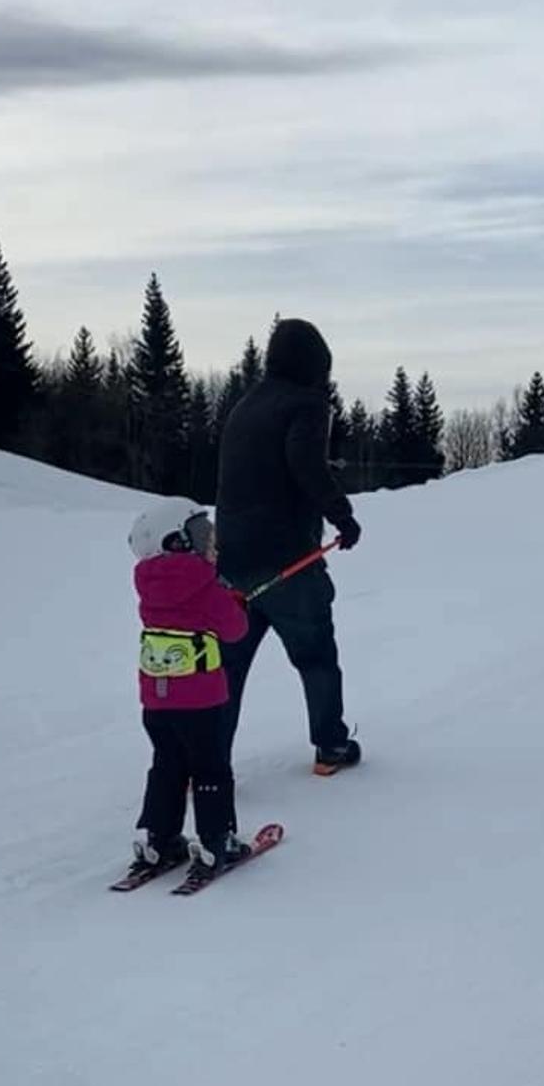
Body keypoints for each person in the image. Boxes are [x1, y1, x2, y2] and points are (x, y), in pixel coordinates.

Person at [215, 318, 362, 774]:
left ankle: (206, 760)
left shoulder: (246, 404)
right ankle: (330, 746)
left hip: (233, 561)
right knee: (316, 655)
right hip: (288, 564)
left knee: (226, 671)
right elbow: (306, 465)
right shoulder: (308, 404)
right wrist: (342, 515)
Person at [125, 498, 250, 884]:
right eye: (200, 534)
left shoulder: (149, 582)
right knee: (210, 766)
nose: (209, 541)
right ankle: (216, 840)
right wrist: (231, 600)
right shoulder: (203, 584)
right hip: (201, 701)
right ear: (178, 541)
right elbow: (235, 630)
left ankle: (160, 840)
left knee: (167, 763)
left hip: (156, 701)